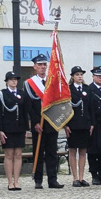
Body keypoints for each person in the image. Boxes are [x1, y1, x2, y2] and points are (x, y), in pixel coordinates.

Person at [25, 53, 63, 189]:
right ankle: (38, 179)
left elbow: (58, 101)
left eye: (44, 64)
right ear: (35, 67)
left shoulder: (52, 81)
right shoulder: (29, 84)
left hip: (51, 121)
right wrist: (35, 122)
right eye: (40, 65)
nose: (42, 67)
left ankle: (53, 179)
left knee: (52, 152)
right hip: (38, 123)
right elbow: (29, 105)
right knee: (39, 151)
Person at [0, 71, 29, 191]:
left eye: (15, 79)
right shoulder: (2, 94)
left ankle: (16, 181)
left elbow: (25, 112)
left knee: (18, 155)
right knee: (9, 155)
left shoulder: (22, 94)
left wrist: (26, 128)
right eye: (11, 79)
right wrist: (0, 130)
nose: (14, 81)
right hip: (7, 128)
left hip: (19, 128)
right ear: (7, 81)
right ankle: (10, 181)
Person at [66, 66, 92, 187]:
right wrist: (65, 125)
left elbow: (91, 108)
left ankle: (81, 177)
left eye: (81, 74)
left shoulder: (87, 89)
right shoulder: (68, 89)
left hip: (85, 124)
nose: (80, 77)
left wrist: (92, 124)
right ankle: (75, 177)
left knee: (83, 151)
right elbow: (65, 108)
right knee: (72, 150)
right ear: (72, 77)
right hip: (73, 124)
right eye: (77, 75)